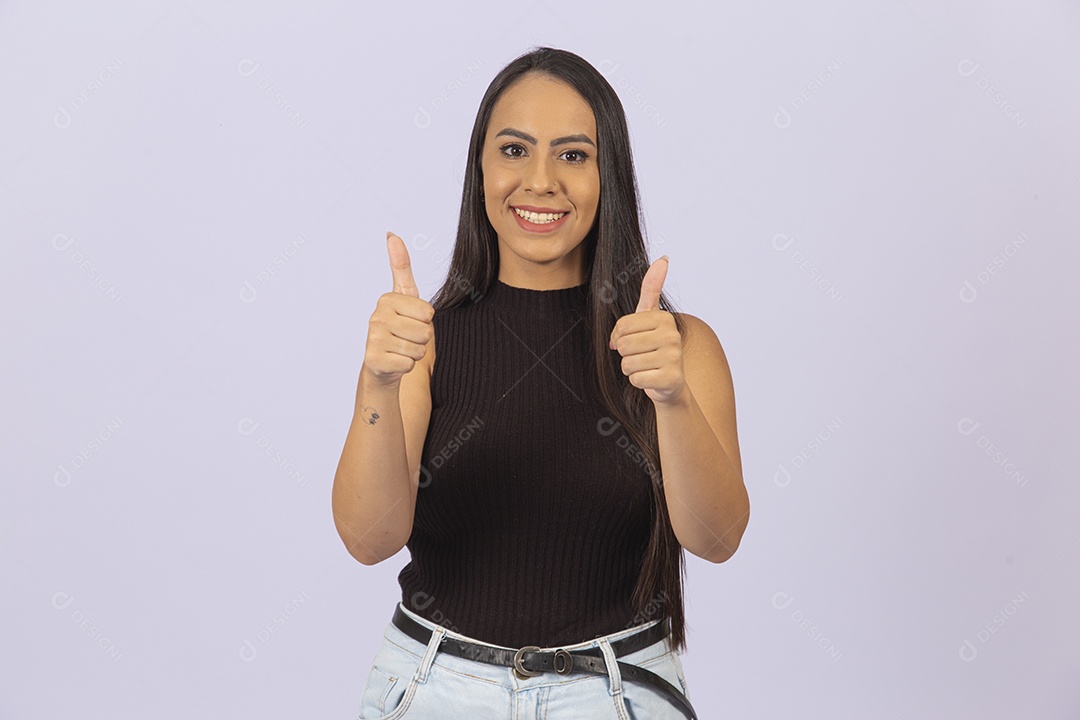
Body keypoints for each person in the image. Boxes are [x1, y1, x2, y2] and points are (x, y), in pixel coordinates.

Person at [333, 45, 749, 719]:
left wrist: (670, 398)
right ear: (481, 170)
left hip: (616, 693)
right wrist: (380, 384)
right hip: (438, 690)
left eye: (573, 155)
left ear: (607, 174)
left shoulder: (677, 347)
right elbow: (367, 539)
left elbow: (717, 538)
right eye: (515, 150)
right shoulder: (421, 343)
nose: (541, 181)